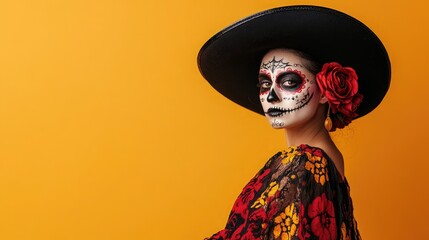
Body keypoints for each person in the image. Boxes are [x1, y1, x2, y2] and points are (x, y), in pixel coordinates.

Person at [197, 5, 390, 240]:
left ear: (324, 92)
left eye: (289, 82)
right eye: (265, 84)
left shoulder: (305, 162)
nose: (271, 96)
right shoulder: (326, 159)